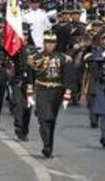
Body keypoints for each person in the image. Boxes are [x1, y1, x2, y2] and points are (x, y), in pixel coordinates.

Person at [27, 30, 73, 159]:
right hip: (42, 89)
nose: (50, 45)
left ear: (56, 43)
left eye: (52, 43)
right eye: (48, 42)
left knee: (51, 119)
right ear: (44, 43)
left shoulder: (63, 58)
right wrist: (30, 94)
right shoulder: (35, 58)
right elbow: (30, 77)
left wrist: (67, 94)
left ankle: (49, 146)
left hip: (56, 91)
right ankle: (46, 145)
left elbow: (68, 77)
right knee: (44, 118)